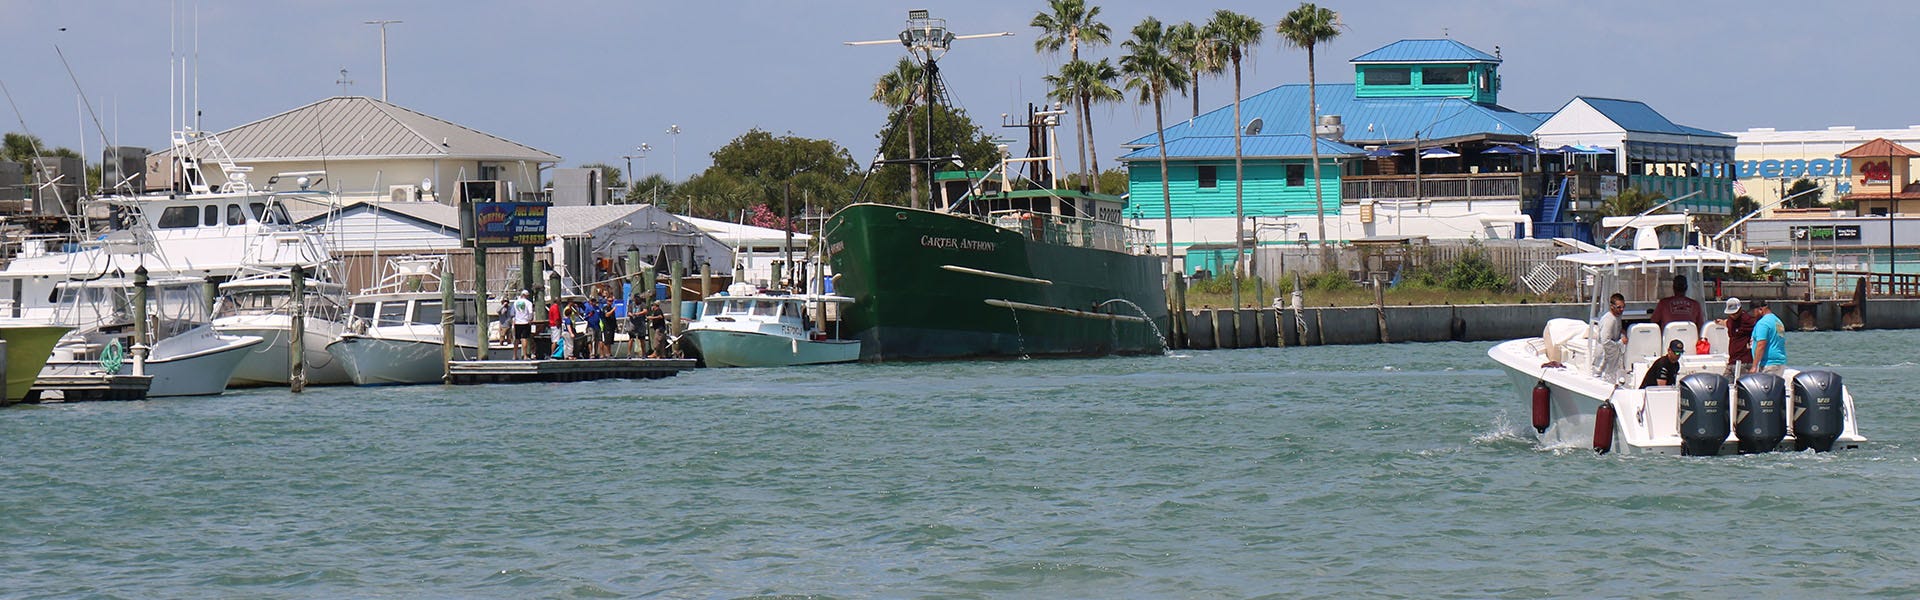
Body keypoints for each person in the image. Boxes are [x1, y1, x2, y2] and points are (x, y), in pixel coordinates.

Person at [1717, 297, 1756, 378]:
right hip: (1732, 361)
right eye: (1731, 313)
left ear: (1740, 309)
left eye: (1735, 313)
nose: (1733, 315)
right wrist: (1721, 322)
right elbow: (1728, 323)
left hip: (1744, 362)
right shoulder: (1730, 320)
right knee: (1724, 384)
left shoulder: (1747, 320)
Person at [1750, 299, 1788, 376]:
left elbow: (1761, 344)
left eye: (1753, 311)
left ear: (1760, 309)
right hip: (1780, 362)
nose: (1753, 314)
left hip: (1768, 364)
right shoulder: (1778, 321)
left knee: (1765, 387)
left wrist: (1754, 366)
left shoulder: (1763, 323)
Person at [511, 290, 535, 360]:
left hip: (517, 322)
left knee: (517, 339)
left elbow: (512, 313)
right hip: (525, 322)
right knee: (524, 338)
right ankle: (525, 355)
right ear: (526, 295)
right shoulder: (528, 303)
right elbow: (530, 312)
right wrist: (530, 319)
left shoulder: (515, 303)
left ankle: (514, 355)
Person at [597, 291, 617, 358]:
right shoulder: (605, 308)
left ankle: (609, 353)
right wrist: (613, 310)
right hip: (606, 327)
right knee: (606, 341)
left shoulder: (611, 308)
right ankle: (606, 353)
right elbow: (607, 315)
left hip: (611, 327)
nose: (610, 302)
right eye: (609, 301)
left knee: (610, 341)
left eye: (612, 301)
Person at [628, 290, 648, 356]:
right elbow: (629, 312)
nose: (637, 299)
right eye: (636, 298)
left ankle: (644, 354)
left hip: (640, 324)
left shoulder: (642, 304)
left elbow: (645, 311)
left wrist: (638, 313)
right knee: (631, 338)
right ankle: (629, 353)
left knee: (642, 339)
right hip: (633, 324)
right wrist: (631, 314)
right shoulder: (631, 305)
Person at [547, 294, 564, 359]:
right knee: (555, 341)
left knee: (555, 340)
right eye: (559, 301)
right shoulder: (555, 307)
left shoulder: (552, 307)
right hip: (555, 326)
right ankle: (553, 353)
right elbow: (556, 318)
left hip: (552, 325)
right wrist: (558, 325)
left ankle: (554, 353)